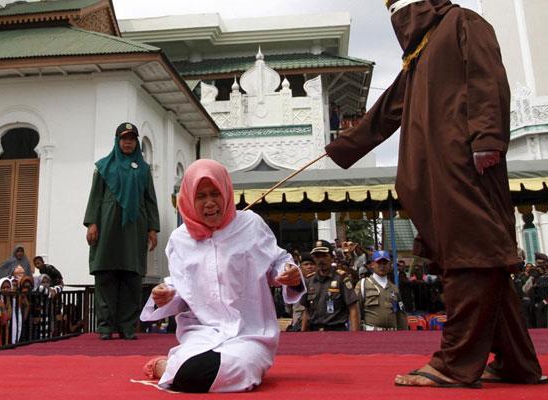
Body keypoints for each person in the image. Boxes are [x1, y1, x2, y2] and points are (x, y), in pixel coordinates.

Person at [325, 0, 545, 387]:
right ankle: (517, 362)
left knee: (471, 256)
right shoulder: (419, 52)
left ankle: (454, 363)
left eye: (403, 7)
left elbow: (487, 78)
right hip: (432, 172)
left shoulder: (463, 22)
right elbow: (386, 111)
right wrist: (339, 148)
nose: (399, 18)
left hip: (467, 162)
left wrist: (487, 138)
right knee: (481, 260)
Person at [139, 159, 304, 393]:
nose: (209, 203)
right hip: (203, 332)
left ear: (226, 191)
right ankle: (173, 366)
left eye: (215, 193)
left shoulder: (251, 225)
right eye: (201, 196)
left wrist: (290, 275)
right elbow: (180, 289)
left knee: (233, 368)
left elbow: (278, 262)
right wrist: (164, 295)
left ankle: (166, 367)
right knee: (193, 370)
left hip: (250, 334)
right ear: (188, 199)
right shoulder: (179, 239)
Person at [84, 122, 160, 340]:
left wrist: (152, 228)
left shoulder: (143, 169)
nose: (128, 142)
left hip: (134, 228)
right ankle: (106, 327)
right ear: (117, 141)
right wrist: (92, 223)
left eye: (132, 139)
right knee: (106, 274)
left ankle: (127, 326)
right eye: (124, 138)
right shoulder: (103, 167)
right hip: (108, 226)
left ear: (136, 142)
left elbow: (150, 200)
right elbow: (95, 197)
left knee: (132, 276)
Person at [301, 245, 359, 332]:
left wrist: (355, 336)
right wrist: (303, 333)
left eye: (324, 256)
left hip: (337, 331)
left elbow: (353, 308)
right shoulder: (310, 281)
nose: (321, 260)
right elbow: (306, 311)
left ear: (332, 257)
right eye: (317, 257)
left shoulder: (341, 278)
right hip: (314, 332)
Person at [355, 251, 407, 331]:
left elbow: (400, 315)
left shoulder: (394, 288)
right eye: (379, 262)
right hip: (371, 334)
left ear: (389, 265)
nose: (382, 266)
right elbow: (355, 312)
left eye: (385, 263)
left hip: (392, 335)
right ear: (372, 264)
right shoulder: (363, 285)